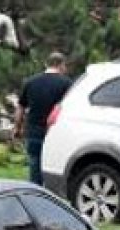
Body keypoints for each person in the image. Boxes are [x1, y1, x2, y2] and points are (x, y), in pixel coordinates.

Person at [13, 52, 72, 186]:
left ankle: (35, 196)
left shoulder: (30, 82)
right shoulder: (66, 83)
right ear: (61, 65)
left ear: (46, 64)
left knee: (35, 167)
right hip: (56, 132)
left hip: (33, 131)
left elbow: (21, 108)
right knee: (56, 168)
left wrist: (17, 128)